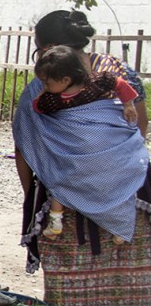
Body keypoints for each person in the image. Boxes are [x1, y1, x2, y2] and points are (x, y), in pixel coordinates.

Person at [13, 10, 151, 306]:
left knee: (65, 260)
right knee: (117, 257)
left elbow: (25, 144)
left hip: (65, 184)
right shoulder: (117, 70)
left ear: (45, 46)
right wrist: (112, 161)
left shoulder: (43, 79)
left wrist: (33, 195)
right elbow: (139, 121)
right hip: (125, 181)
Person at [31, 45, 139, 238]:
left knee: (60, 179)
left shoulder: (53, 100)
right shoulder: (98, 81)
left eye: (46, 83)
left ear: (65, 80)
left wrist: (40, 97)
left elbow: (37, 108)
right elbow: (120, 84)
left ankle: (56, 221)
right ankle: (119, 226)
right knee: (113, 181)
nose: (44, 87)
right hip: (95, 148)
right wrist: (128, 105)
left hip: (84, 150)